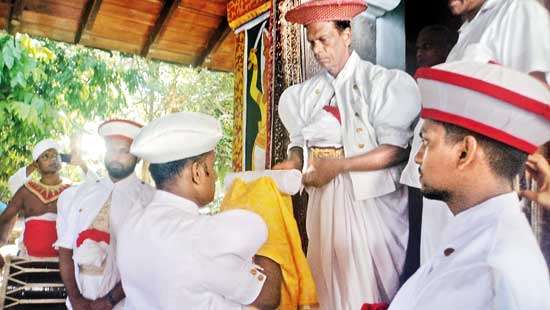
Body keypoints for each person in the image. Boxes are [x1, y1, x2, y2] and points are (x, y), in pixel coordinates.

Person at [276, 0, 421, 308]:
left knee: (363, 285)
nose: (317, 50)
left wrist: (340, 166)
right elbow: (300, 144)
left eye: (324, 39)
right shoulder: (304, 95)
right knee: (325, 278)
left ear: (347, 35)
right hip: (323, 200)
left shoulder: (380, 84)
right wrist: (292, 163)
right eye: (311, 41)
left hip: (369, 203)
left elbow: (395, 151)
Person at [388, 61, 550, 309]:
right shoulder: (476, 233)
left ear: (465, 152)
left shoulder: (497, 270)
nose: (419, 157)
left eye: (427, 142)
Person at [401, 0, 550, 266]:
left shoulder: (517, 10)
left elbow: (537, 102)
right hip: (446, 182)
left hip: (478, 185)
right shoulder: (470, 26)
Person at [116, 112, 282, 309]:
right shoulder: (200, 237)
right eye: (211, 166)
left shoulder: (130, 226)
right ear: (197, 172)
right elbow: (268, 296)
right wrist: (268, 208)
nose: (214, 176)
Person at [55, 119, 155, 310]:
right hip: (78, 304)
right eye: (111, 149)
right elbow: (65, 251)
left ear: (138, 157)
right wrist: (76, 299)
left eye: (124, 151)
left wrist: (109, 301)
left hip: (126, 304)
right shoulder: (76, 195)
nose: (115, 157)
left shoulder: (149, 200)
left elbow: (147, 262)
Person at [0, 140, 71, 267]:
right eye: (46, 156)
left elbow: (98, 190)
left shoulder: (73, 190)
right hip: (28, 262)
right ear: (37, 165)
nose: (52, 159)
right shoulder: (26, 190)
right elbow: (4, 219)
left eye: (56, 155)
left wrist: (82, 164)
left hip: (65, 265)